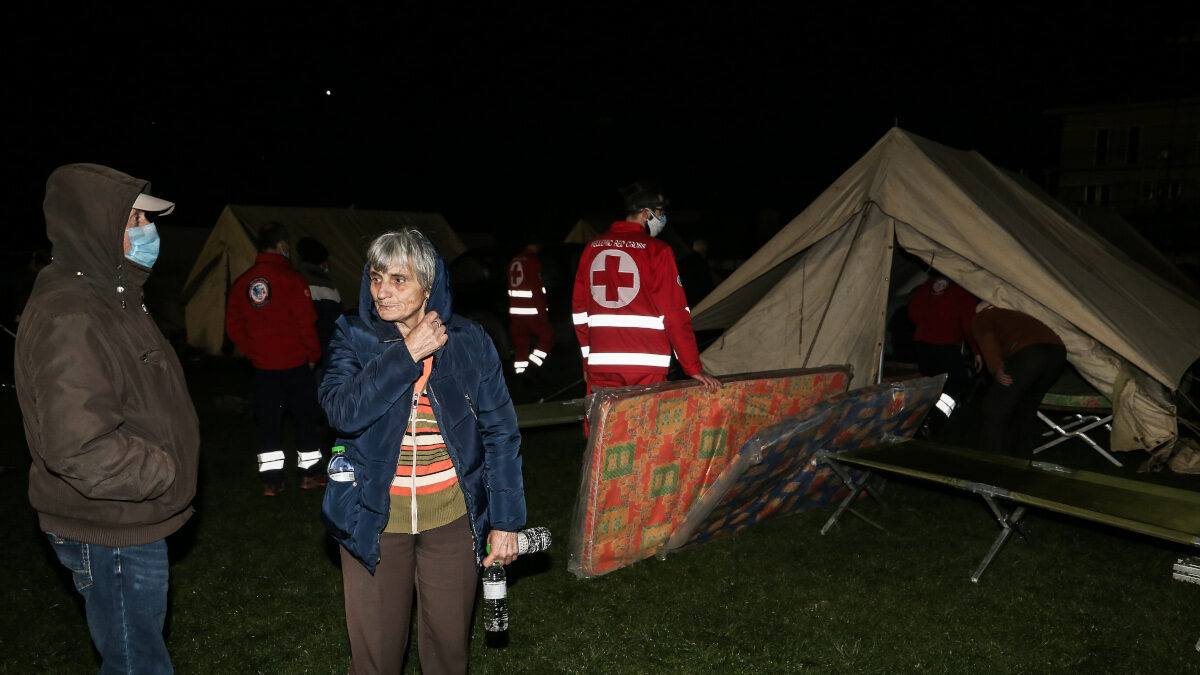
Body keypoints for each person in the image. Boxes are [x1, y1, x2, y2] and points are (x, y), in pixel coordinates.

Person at [14, 163, 199, 673]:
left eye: (147, 220)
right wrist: (164, 473)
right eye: (135, 220)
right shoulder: (72, 314)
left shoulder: (114, 297)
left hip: (127, 519)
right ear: (94, 225)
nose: (149, 232)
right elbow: (79, 445)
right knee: (136, 663)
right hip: (111, 530)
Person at [319, 228, 526, 674]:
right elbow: (342, 411)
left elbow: (501, 433)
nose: (382, 291)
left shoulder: (470, 341)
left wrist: (506, 521)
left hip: (452, 520)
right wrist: (407, 354)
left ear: (429, 286)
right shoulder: (352, 335)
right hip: (373, 519)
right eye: (376, 278)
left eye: (398, 280)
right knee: (375, 658)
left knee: (449, 653)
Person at [572, 184, 720, 394]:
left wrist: (588, 360)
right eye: (660, 213)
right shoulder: (657, 251)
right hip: (646, 365)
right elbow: (675, 315)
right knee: (643, 424)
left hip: (602, 364)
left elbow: (579, 312)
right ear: (645, 213)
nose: (662, 219)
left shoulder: (592, 248)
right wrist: (693, 367)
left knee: (604, 424)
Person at [225, 221, 325, 495]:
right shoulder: (293, 279)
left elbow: (234, 326)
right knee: (305, 421)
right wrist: (313, 355)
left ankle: (272, 482)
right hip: (297, 366)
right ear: (282, 245)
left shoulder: (242, 283)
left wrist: (255, 352)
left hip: (264, 369)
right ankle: (310, 475)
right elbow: (307, 322)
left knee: (268, 425)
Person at [972, 301, 1067, 461]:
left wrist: (996, 368)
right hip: (1057, 354)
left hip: (1028, 353)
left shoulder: (983, 316)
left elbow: (986, 336)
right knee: (1025, 408)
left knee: (995, 408)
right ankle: (1020, 459)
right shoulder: (1017, 314)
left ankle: (990, 462)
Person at [906, 272, 981, 437]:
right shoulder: (962, 291)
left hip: (923, 346)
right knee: (958, 383)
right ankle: (934, 420)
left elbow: (913, 313)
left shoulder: (929, 285)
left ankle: (918, 421)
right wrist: (976, 351)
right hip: (946, 346)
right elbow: (968, 323)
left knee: (932, 384)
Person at [295, 235, 345, 378]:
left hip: (297, 355)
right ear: (323, 263)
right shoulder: (328, 288)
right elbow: (337, 322)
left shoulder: (293, 281)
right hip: (323, 356)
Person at [507, 240, 554, 375]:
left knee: (521, 343)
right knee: (548, 336)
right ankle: (533, 365)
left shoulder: (514, 260)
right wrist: (543, 313)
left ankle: (520, 373)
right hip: (531, 311)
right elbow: (536, 288)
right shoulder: (532, 260)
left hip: (515, 312)